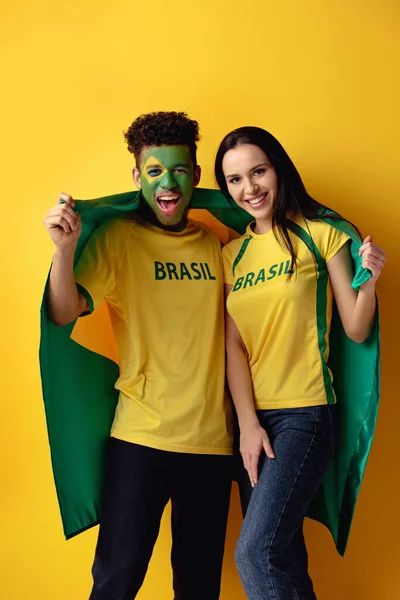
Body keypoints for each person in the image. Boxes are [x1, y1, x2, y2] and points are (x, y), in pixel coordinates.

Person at [43, 111, 233, 600]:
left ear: (193, 175)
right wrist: (63, 252)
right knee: (115, 582)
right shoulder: (119, 241)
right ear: (137, 176)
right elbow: (64, 313)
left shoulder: (216, 245)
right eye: (154, 171)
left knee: (198, 589)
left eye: (178, 170)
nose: (167, 183)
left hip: (211, 445)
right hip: (140, 438)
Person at [214, 126, 386, 600]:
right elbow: (234, 345)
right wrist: (247, 425)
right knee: (282, 554)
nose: (248, 188)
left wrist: (368, 281)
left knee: (255, 552)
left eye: (258, 171)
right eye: (234, 180)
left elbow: (354, 327)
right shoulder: (233, 254)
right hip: (254, 423)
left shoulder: (320, 234)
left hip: (306, 416)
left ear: (278, 169)